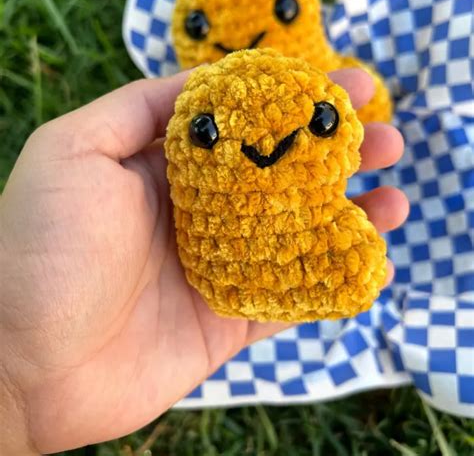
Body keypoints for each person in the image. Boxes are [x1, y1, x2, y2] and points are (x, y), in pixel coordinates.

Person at [0, 68, 408, 455]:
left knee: (356, 258)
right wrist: (15, 371)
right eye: (206, 132)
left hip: (239, 278)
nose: (263, 147)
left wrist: (17, 383)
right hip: (210, 282)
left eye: (321, 121)